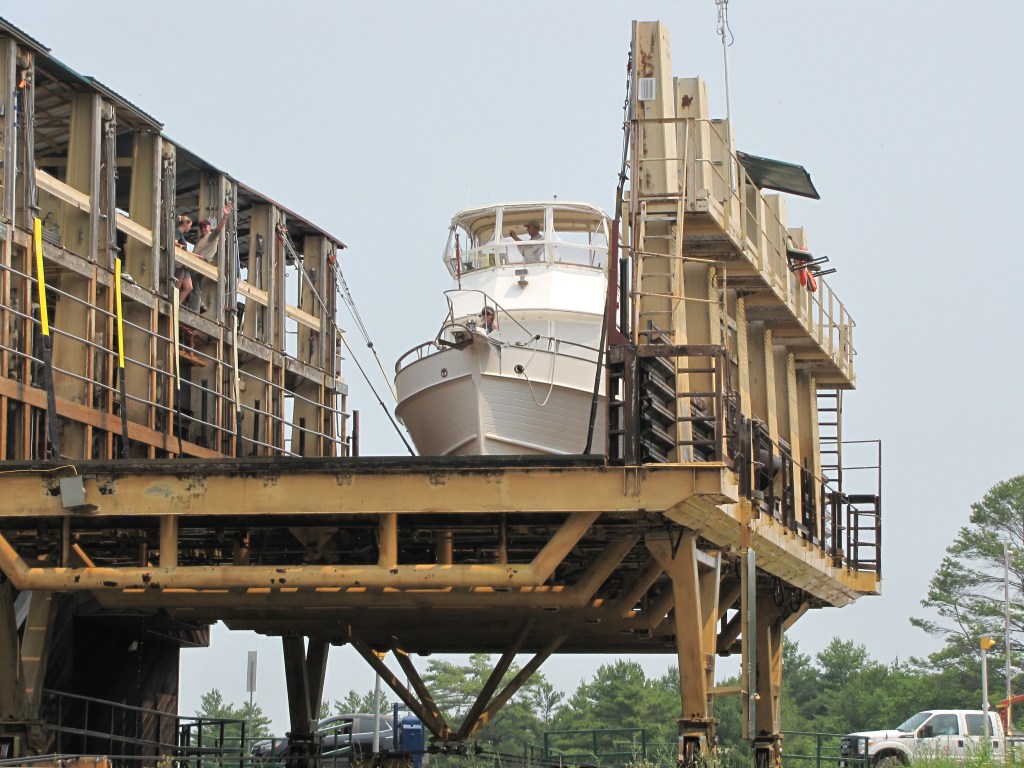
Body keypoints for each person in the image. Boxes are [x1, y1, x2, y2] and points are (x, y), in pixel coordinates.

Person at [188, 202, 234, 312]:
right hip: (194, 262)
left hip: (202, 262)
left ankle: (195, 309)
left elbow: (218, 230)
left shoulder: (211, 236)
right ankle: (199, 305)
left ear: (209, 227)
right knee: (190, 282)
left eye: (205, 226)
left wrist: (225, 216)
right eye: (200, 227)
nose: (202, 229)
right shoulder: (199, 239)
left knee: (193, 281)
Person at [173, 215, 196, 307]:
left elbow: (186, 250)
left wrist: (196, 256)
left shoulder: (181, 234)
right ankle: (174, 303)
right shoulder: (178, 231)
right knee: (177, 285)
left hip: (183, 264)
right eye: (190, 225)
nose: (190, 228)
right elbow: (174, 242)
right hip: (179, 263)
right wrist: (180, 246)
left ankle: (178, 303)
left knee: (189, 287)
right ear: (185, 224)